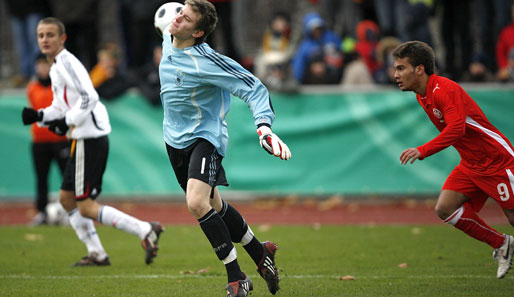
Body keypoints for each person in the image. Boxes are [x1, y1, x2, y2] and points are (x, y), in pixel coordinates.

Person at [160, 1, 291, 296]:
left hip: (205, 137)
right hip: (173, 139)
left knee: (196, 203)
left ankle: (237, 277)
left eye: (186, 17)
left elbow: (253, 86)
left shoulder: (205, 61)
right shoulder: (170, 35)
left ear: (199, 32)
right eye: (180, 11)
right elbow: (168, 20)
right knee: (214, 206)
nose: (178, 17)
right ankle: (260, 253)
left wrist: (264, 127)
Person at [21, 17, 163, 266]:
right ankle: (97, 252)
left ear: (62, 38)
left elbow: (89, 97)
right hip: (83, 137)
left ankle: (144, 229)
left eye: (50, 35)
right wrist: (41, 116)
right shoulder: (56, 66)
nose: (45, 39)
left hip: (89, 137)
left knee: (85, 205)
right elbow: (61, 105)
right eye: (41, 35)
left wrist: (68, 120)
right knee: (67, 200)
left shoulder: (66, 63)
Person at [393, 41, 514, 279]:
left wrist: (423, 150)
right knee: (445, 208)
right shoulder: (423, 96)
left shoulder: (444, 89)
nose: (395, 74)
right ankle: (502, 244)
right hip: (471, 164)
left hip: (497, 161)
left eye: (400, 68)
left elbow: (457, 128)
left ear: (419, 69)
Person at [26, 53, 69, 226]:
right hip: (39, 141)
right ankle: (41, 212)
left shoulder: (60, 86)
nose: (43, 68)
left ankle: (70, 211)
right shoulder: (32, 88)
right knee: (41, 178)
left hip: (60, 139)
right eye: (40, 65)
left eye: (46, 65)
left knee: (66, 177)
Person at [291, 12, 342, 85]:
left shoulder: (332, 38)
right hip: (313, 81)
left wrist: (328, 63)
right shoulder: (305, 46)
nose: (317, 31)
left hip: (334, 77)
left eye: (319, 28)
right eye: (314, 29)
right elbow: (298, 65)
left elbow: (342, 52)